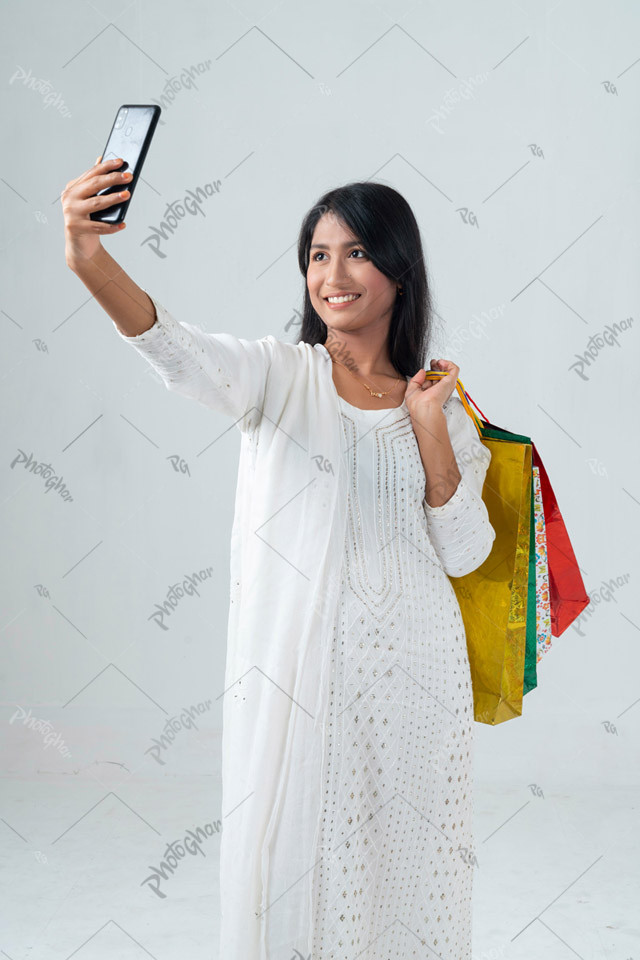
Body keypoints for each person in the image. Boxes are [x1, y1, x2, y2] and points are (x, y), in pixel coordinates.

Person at [63, 162, 496, 960]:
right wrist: (90, 259)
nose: (333, 274)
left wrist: (430, 426)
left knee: (409, 881)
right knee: (306, 879)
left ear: (400, 268)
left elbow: (466, 553)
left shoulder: (438, 401)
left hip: (421, 694)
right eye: (318, 254)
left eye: (357, 251)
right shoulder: (280, 376)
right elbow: (179, 353)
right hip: (308, 693)